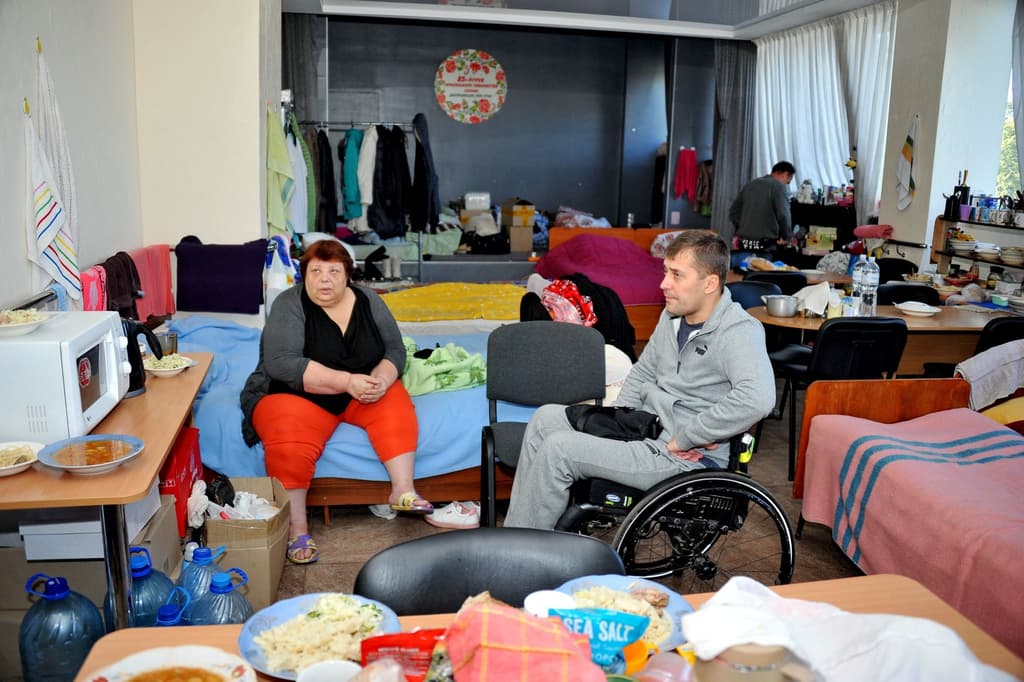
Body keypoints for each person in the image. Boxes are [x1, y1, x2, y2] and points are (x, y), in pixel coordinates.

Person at [503, 230, 775, 530]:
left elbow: (757, 398)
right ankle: (520, 534)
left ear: (709, 283)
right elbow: (643, 370)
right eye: (665, 272)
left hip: (681, 456)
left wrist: (690, 435)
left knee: (559, 449)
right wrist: (618, 419)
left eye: (677, 275)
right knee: (544, 419)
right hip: (647, 428)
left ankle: (530, 556)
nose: (663, 284)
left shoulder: (738, 332)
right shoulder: (672, 317)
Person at [239, 239, 431, 564]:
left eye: (333, 271)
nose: (324, 279)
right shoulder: (289, 303)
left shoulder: (369, 299)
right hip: (298, 393)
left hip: (360, 389)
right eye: (315, 271)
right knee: (286, 431)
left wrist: (382, 380)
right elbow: (281, 363)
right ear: (305, 275)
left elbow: (395, 351)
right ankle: (297, 529)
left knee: (395, 397)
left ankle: (402, 489)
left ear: (347, 276)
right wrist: (346, 381)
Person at [728, 161, 797, 267]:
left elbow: (733, 212)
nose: (786, 185)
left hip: (744, 243)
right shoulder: (778, 187)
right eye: (788, 181)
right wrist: (787, 237)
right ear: (786, 174)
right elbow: (783, 214)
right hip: (765, 246)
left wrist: (743, 226)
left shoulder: (750, 184)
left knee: (740, 277)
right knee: (759, 280)